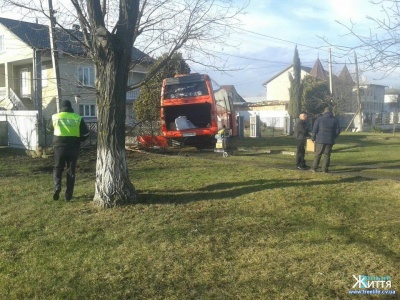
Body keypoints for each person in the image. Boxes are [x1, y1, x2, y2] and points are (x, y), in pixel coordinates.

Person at [48, 100, 89, 201]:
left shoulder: (55, 117)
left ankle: (57, 187)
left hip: (59, 146)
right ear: (71, 107)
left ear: (61, 108)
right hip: (73, 146)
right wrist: (80, 140)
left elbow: (49, 129)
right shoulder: (77, 118)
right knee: (71, 170)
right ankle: (68, 195)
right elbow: (86, 133)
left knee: (58, 168)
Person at [311, 106, 341, 173]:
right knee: (327, 155)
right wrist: (333, 136)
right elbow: (338, 130)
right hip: (330, 140)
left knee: (318, 154)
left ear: (324, 111)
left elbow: (315, 129)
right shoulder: (335, 120)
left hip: (320, 140)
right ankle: (324, 169)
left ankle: (314, 168)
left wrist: (313, 137)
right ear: (331, 112)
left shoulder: (319, 119)